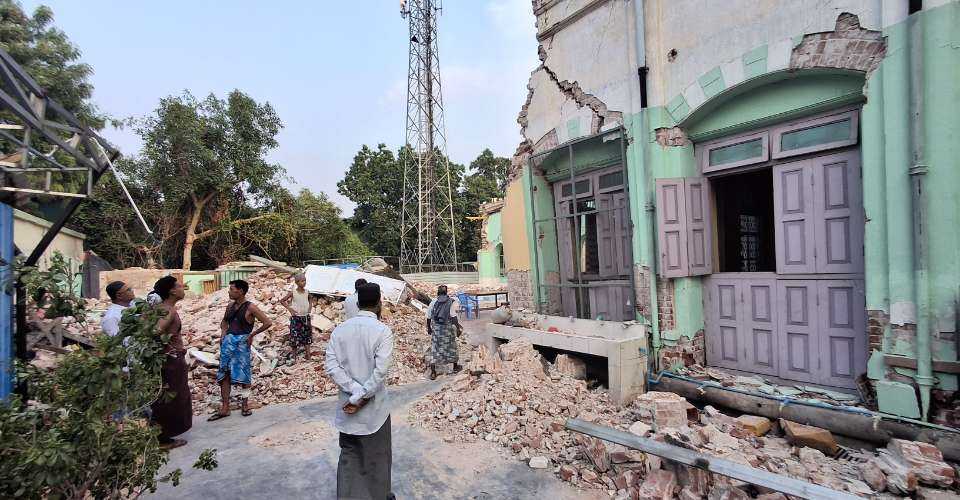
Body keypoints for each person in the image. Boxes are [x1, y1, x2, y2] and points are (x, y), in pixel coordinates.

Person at [325, 283, 394, 500]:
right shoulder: (382, 331)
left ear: (357, 303)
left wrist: (353, 391)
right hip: (375, 411)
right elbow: (380, 372)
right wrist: (362, 395)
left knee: (349, 457)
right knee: (377, 458)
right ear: (379, 303)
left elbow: (331, 366)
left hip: (347, 409)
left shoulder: (339, 331)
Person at [208, 279, 273, 421]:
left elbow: (267, 322)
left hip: (242, 343)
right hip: (228, 343)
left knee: (244, 374)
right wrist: (223, 335)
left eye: (232, 289)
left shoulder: (251, 307)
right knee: (224, 373)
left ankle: (245, 404)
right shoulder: (230, 306)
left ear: (241, 291)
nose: (229, 291)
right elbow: (224, 322)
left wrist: (252, 335)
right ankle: (225, 407)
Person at [148, 276, 192, 450]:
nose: (183, 288)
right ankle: (163, 438)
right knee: (171, 399)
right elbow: (155, 331)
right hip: (171, 362)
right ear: (172, 291)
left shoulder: (158, 308)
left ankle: (160, 435)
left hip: (165, 360)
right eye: (180, 286)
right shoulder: (168, 310)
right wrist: (169, 348)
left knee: (163, 398)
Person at [425, 285, 463, 380]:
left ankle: (433, 372)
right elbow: (453, 317)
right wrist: (458, 329)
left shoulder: (433, 302)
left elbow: (428, 317)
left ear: (438, 293)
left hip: (437, 329)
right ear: (446, 292)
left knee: (435, 348)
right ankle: (455, 366)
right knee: (452, 347)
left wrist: (429, 328)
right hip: (447, 329)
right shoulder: (451, 302)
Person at [280, 273, 316, 361]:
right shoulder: (293, 292)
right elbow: (282, 300)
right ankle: (294, 357)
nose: (304, 282)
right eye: (302, 281)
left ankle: (308, 356)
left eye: (305, 281)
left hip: (305, 317)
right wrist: (290, 309)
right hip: (296, 318)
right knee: (294, 337)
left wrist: (310, 307)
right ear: (297, 282)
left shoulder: (307, 292)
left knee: (307, 336)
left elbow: (311, 299)